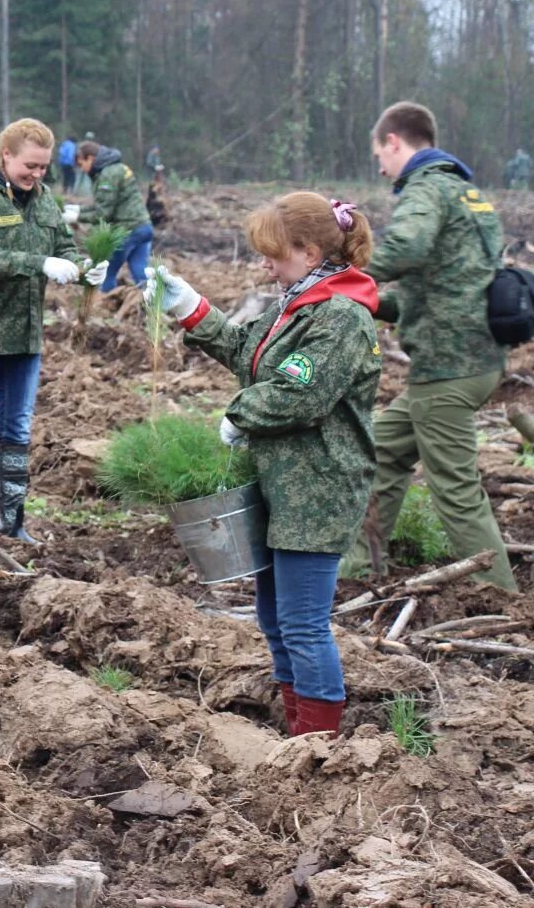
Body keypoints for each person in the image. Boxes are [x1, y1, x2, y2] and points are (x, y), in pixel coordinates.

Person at [147, 192, 381, 736]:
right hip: (280, 488)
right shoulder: (299, 303)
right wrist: (191, 309)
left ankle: (318, 742)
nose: (264, 265)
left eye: (272, 254)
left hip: (317, 490)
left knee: (303, 623)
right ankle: (298, 725)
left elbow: (302, 394)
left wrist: (240, 413)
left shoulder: (341, 317)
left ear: (309, 249)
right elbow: (248, 352)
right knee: (276, 619)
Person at [363, 101, 518, 591]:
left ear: (393, 141)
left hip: (449, 369)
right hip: (473, 359)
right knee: (380, 452)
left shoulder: (425, 187)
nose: (382, 170)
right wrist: (367, 300)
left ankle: (500, 595)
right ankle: (359, 568)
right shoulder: (467, 192)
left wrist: (336, 278)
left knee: (455, 492)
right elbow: (445, 286)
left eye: (379, 157)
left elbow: (406, 250)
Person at [0, 119, 106, 541]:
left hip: (26, 336)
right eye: (29, 166)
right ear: (6, 156)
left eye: (43, 168)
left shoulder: (44, 199)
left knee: (18, 429)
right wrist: (38, 265)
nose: (36, 175)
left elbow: (63, 246)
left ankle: (11, 520)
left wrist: (83, 267)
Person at [66, 140, 152, 292]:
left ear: (90, 158)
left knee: (106, 272)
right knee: (140, 273)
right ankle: (154, 308)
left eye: (81, 164)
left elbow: (103, 214)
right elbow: (105, 204)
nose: (82, 170)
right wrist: (79, 210)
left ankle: (104, 305)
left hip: (127, 229)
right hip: (143, 226)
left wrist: (76, 218)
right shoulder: (116, 167)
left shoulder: (107, 175)